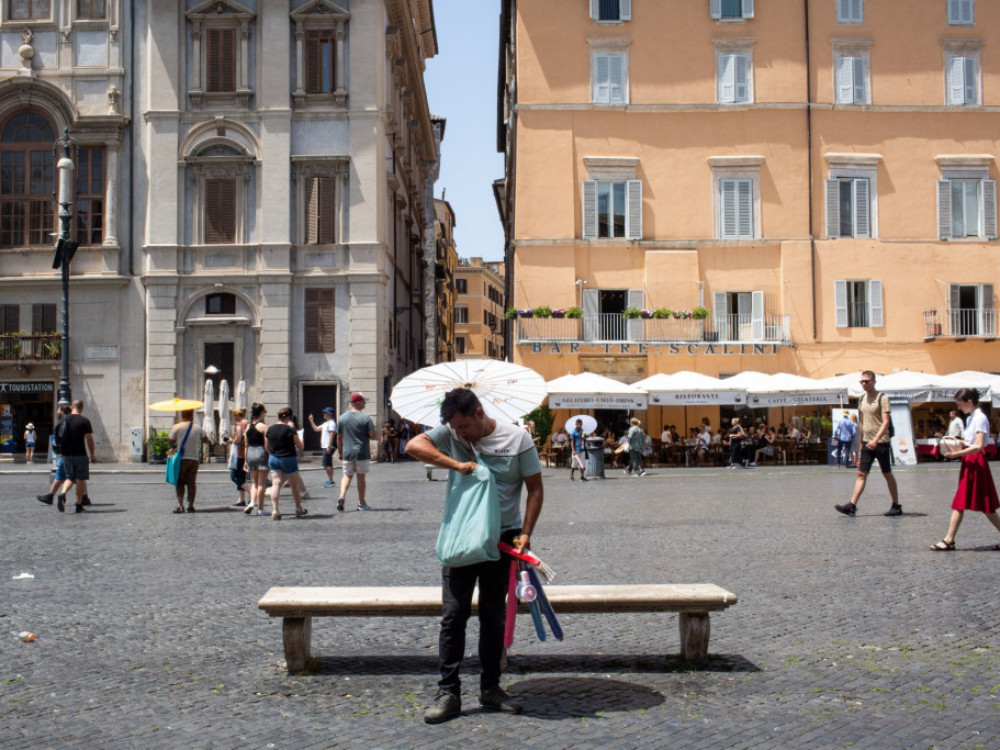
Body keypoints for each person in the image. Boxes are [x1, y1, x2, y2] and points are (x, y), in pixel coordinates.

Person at [405, 387, 543, 724]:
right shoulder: (453, 434)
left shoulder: (518, 440)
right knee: (453, 616)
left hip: (502, 538)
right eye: (455, 428)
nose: (460, 432)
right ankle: (448, 691)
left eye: (465, 426)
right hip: (462, 535)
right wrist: (457, 463)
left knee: (493, 616)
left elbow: (535, 488)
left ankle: (490, 688)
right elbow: (413, 446)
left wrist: (526, 532)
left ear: (479, 413)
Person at [930, 388, 1000, 551]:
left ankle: (949, 540)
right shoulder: (971, 418)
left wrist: (957, 453)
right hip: (970, 461)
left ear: (969, 402)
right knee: (984, 506)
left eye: (960, 405)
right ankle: (949, 540)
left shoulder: (979, 418)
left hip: (976, 462)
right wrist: (958, 441)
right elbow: (971, 441)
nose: (959, 408)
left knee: (965, 503)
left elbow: (979, 445)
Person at [836, 371, 902, 517]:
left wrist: (875, 440)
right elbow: (861, 422)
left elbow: (886, 422)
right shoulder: (861, 399)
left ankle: (896, 505)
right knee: (861, 473)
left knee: (886, 473)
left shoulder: (882, 398)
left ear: (874, 382)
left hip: (881, 442)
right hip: (866, 442)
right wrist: (860, 442)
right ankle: (852, 505)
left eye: (867, 381)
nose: (864, 384)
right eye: (862, 382)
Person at [337, 392, 377, 511]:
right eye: (364, 401)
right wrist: (373, 431)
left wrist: (340, 452)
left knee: (346, 476)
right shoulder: (366, 418)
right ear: (358, 402)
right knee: (361, 477)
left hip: (347, 452)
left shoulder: (342, 417)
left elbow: (338, 437)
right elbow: (373, 436)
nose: (365, 403)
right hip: (362, 452)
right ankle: (361, 503)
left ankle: (341, 496)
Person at [265, 407, 307, 520]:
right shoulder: (290, 429)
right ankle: (298, 508)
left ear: (277, 417)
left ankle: (275, 511)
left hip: (273, 458)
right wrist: (300, 438)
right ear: (289, 417)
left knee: (276, 484)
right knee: (294, 486)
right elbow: (300, 446)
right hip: (288, 458)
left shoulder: (270, 429)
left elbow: (266, 447)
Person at [168, 409, 209, 513]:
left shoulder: (176, 427)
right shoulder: (197, 428)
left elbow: (170, 441)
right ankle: (191, 505)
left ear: (182, 415)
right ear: (192, 415)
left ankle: (180, 504)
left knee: (180, 482)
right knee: (191, 482)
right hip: (194, 459)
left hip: (180, 459)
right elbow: (205, 440)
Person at [36, 404, 72, 508]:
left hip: (66, 453)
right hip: (73, 452)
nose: (56, 412)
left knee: (66, 475)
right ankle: (51, 496)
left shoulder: (63, 422)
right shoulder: (72, 420)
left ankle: (56, 495)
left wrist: (60, 449)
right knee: (73, 476)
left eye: (58, 409)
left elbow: (60, 437)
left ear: (62, 411)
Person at [243, 403, 270, 516]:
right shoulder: (264, 427)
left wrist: (245, 460)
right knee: (262, 483)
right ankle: (260, 508)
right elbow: (267, 446)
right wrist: (270, 456)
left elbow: (245, 445)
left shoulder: (248, 427)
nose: (265, 414)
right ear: (261, 413)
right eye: (264, 412)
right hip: (261, 452)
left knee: (254, 482)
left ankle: (252, 502)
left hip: (250, 453)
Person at [307, 407, 338, 487]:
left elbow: (332, 434)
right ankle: (330, 480)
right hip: (325, 446)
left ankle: (331, 481)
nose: (324, 414)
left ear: (330, 414)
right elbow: (316, 429)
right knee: (326, 464)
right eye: (324, 412)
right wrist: (311, 420)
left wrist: (329, 446)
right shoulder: (326, 423)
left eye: (326, 413)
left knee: (328, 464)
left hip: (328, 446)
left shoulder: (332, 423)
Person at [227, 406, 250, 506]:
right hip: (247, 453)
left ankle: (253, 492)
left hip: (239, 454)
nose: (233, 418)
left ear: (237, 415)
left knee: (234, 476)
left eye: (234, 416)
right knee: (242, 476)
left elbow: (237, 439)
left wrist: (230, 441)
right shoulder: (248, 423)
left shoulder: (240, 424)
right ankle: (241, 499)